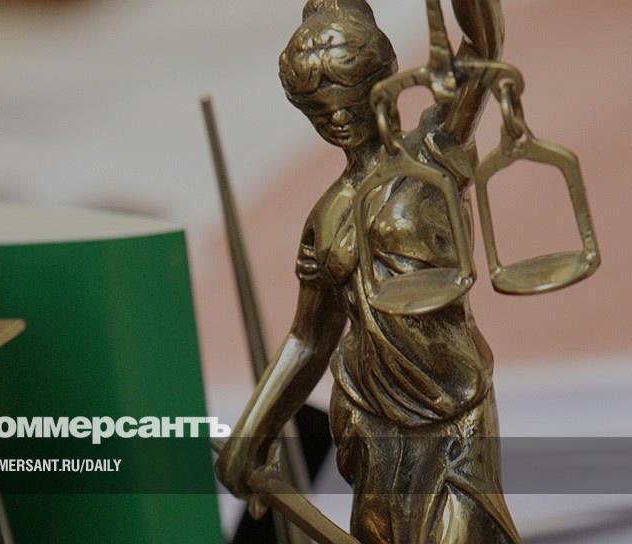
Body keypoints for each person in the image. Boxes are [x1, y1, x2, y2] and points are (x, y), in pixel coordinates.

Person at [215, 1, 522, 542]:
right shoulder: (325, 217)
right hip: (371, 426)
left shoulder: (434, 152)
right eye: (318, 111)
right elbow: (308, 339)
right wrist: (252, 433)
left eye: (348, 98)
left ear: (381, 82)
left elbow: (481, 47)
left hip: (452, 414)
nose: (336, 119)